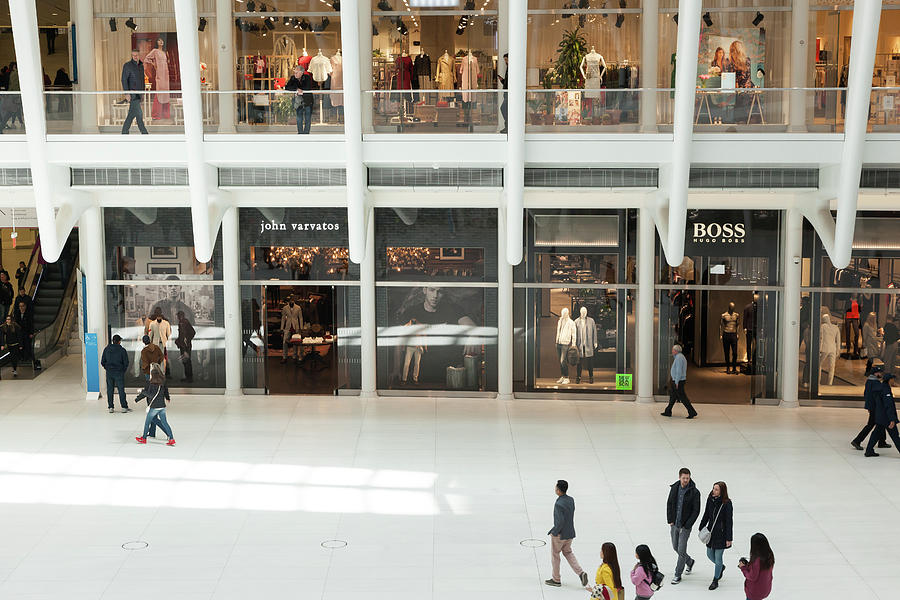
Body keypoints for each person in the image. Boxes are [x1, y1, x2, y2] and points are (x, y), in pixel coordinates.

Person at [546, 479, 589, 588]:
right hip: (570, 532)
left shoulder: (558, 504)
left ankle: (556, 579)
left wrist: (554, 532)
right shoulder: (571, 500)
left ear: (559, 490)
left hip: (560, 535)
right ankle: (580, 573)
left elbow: (559, 521)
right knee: (568, 552)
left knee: (555, 555)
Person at [666, 467, 701, 584]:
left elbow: (696, 510)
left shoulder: (695, 492)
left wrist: (687, 525)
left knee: (681, 550)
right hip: (674, 524)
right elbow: (669, 503)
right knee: (675, 547)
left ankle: (677, 574)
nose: (686, 480)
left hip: (685, 526)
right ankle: (690, 562)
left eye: (687, 478)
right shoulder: (675, 488)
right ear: (679, 477)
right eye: (683, 478)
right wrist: (670, 520)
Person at [698, 481, 733, 590]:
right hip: (711, 533)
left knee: (718, 557)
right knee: (709, 554)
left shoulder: (727, 503)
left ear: (722, 491)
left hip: (721, 534)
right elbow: (706, 514)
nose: (714, 491)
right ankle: (720, 567)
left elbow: (729, 521)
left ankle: (715, 579)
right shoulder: (710, 499)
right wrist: (701, 526)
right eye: (713, 488)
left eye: (717, 489)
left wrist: (729, 538)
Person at [133, 363, 176, 446]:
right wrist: (167, 397)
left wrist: (141, 391)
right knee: (164, 422)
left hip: (154, 407)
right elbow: (165, 391)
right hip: (162, 406)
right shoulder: (162, 381)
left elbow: (150, 395)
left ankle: (144, 438)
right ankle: (171, 438)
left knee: (147, 423)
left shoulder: (152, 384)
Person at [851, 365, 889, 451]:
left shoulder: (869, 381)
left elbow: (867, 395)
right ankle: (857, 441)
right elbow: (878, 396)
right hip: (876, 407)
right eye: (879, 373)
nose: (881, 374)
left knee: (881, 423)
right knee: (871, 424)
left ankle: (882, 442)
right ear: (875, 373)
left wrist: (868, 406)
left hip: (872, 406)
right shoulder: (876, 383)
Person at [865, 372, 900, 457]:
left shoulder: (880, 388)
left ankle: (869, 450)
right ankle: (869, 450)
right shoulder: (886, 390)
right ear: (889, 380)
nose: (893, 380)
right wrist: (892, 419)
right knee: (895, 435)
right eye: (892, 379)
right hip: (886, 417)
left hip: (880, 415)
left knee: (876, 433)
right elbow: (888, 405)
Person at [661, 344, 698, 418]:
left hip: (678, 381)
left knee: (683, 397)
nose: (672, 351)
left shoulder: (679, 358)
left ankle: (692, 412)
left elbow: (679, 371)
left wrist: (676, 381)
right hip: (676, 380)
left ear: (676, 351)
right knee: (673, 396)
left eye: (672, 350)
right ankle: (668, 411)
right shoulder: (679, 357)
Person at [738, 533, 774, 600]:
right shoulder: (769, 554)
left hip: (754, 592)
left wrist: (743, 568)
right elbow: (759, 569)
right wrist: (747, 565)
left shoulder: (757, 559)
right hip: (764, 588)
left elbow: (752, 576)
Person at [100, 334, 131, 413]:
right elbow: (126, 362)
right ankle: (124, 407)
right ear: (119, 341)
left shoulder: (106, 349)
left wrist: (107, 368)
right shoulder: (122, 350)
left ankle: (111, 407)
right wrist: (122, 370)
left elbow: (102, 361)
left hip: (109, 372)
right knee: (121, 390)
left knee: (110, 389)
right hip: (119, 372)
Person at [121, 50, 149, 134]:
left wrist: (143, 93)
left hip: (139, 93)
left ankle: (124, 131)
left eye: (136, 55)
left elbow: (142, 80)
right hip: (132, 93)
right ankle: (144, 133)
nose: (135, 57)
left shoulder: (141, 66)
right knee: (139, 114)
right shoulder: (127, 65)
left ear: (139, 55)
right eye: (133, 55)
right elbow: (124, 80)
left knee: (132, 114)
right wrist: (126, 93)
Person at [285, 64, 315, 134]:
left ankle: (306, 133)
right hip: (298, 101)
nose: (295, 74)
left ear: (301, 73)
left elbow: (308, 87)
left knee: (308, 118)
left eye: (296, 73)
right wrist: (296, 89)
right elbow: (287, 87)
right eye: (294, 72)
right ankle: (300, 133)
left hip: (308, 100)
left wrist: (301, 89)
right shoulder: (293, 78)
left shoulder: (307, 77)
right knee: (299, 118)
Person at [280, 296, 304, 363]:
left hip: (296, 326)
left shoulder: (298, 307)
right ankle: (284, 357)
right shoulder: (285, 308)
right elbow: (283, 318)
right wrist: (282, 328)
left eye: (293, 300)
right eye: (290, 300)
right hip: (287, 326)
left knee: (296, 342)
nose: (291, 301)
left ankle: (295, 356)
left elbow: (301, 318)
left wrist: (301, 328)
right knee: (285, 342)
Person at [174, 310, 195, 382]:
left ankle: (189, 378)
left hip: (185, 346)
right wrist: (178, 340)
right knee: (185, 361)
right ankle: (188, 377)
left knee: (187, 361)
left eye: (178, 316)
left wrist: (187, 340)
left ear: (180, 316)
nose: (177, 317)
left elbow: (192, 332)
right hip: (184, 345)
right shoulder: (182, 322)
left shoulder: (184, 322)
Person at [13, 299, 34, 369]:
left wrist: (31, 332)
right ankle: (21, 357)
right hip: (19, 333)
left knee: (27, 344)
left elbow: (31, 324)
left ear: (25, 306)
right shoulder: (17, 314)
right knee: (20, 345)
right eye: (20, 306)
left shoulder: (28, 314)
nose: (21, 307)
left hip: (26, 332)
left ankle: (27, 357)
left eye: (22, 306)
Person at [498, 52, 509, 133]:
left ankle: (508, 127)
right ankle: (507, 127)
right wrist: (502, 80)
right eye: (505, 60)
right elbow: (507, 82)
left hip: (509, 92)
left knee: (503, 108)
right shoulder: (508, 68)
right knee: (505, 109)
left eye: (506, 59)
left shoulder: (511, 68)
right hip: (506, 92)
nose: (505, 61)